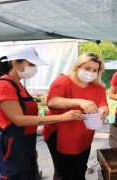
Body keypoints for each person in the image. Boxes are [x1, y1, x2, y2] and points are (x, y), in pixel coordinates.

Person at [0, 46, 84, 180]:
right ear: (15, 62)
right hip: (10, 145)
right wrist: (62, 117)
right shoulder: (3, 85)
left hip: (24, 143)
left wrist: (30, 147)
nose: (34, 68)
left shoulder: (17, 84)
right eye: (31, 64)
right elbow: (19, 120)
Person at [41, 52, 108, 180]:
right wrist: (79, 101)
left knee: (80, 168)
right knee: (63, 172)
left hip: (84, 134)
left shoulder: (98, 87)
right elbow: (53, 101)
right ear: (78, 67)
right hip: (59, 132)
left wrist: (104, 111)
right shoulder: (63, 81)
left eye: (95, 70)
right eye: (87, 68)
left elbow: (103, 104)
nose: (91, 73)